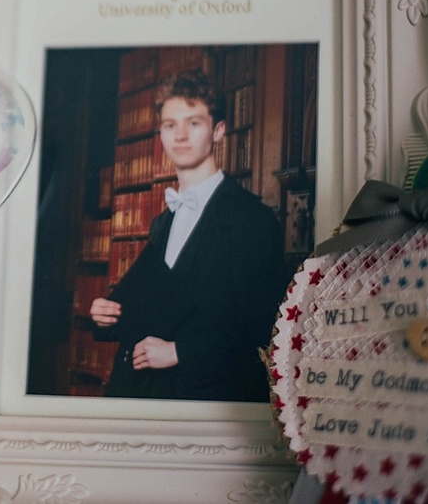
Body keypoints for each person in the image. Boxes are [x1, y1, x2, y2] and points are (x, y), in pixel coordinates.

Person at [88, 72, 286, 400]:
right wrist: (106, 314)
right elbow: (154, 306)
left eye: (193, 123)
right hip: (145, 396)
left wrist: (181, 352)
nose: (180, 135)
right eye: (169, 125)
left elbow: (266, 329)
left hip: (205, 400)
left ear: (218, 130)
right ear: (161, 134)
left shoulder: (253, 219)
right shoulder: (164, 221)